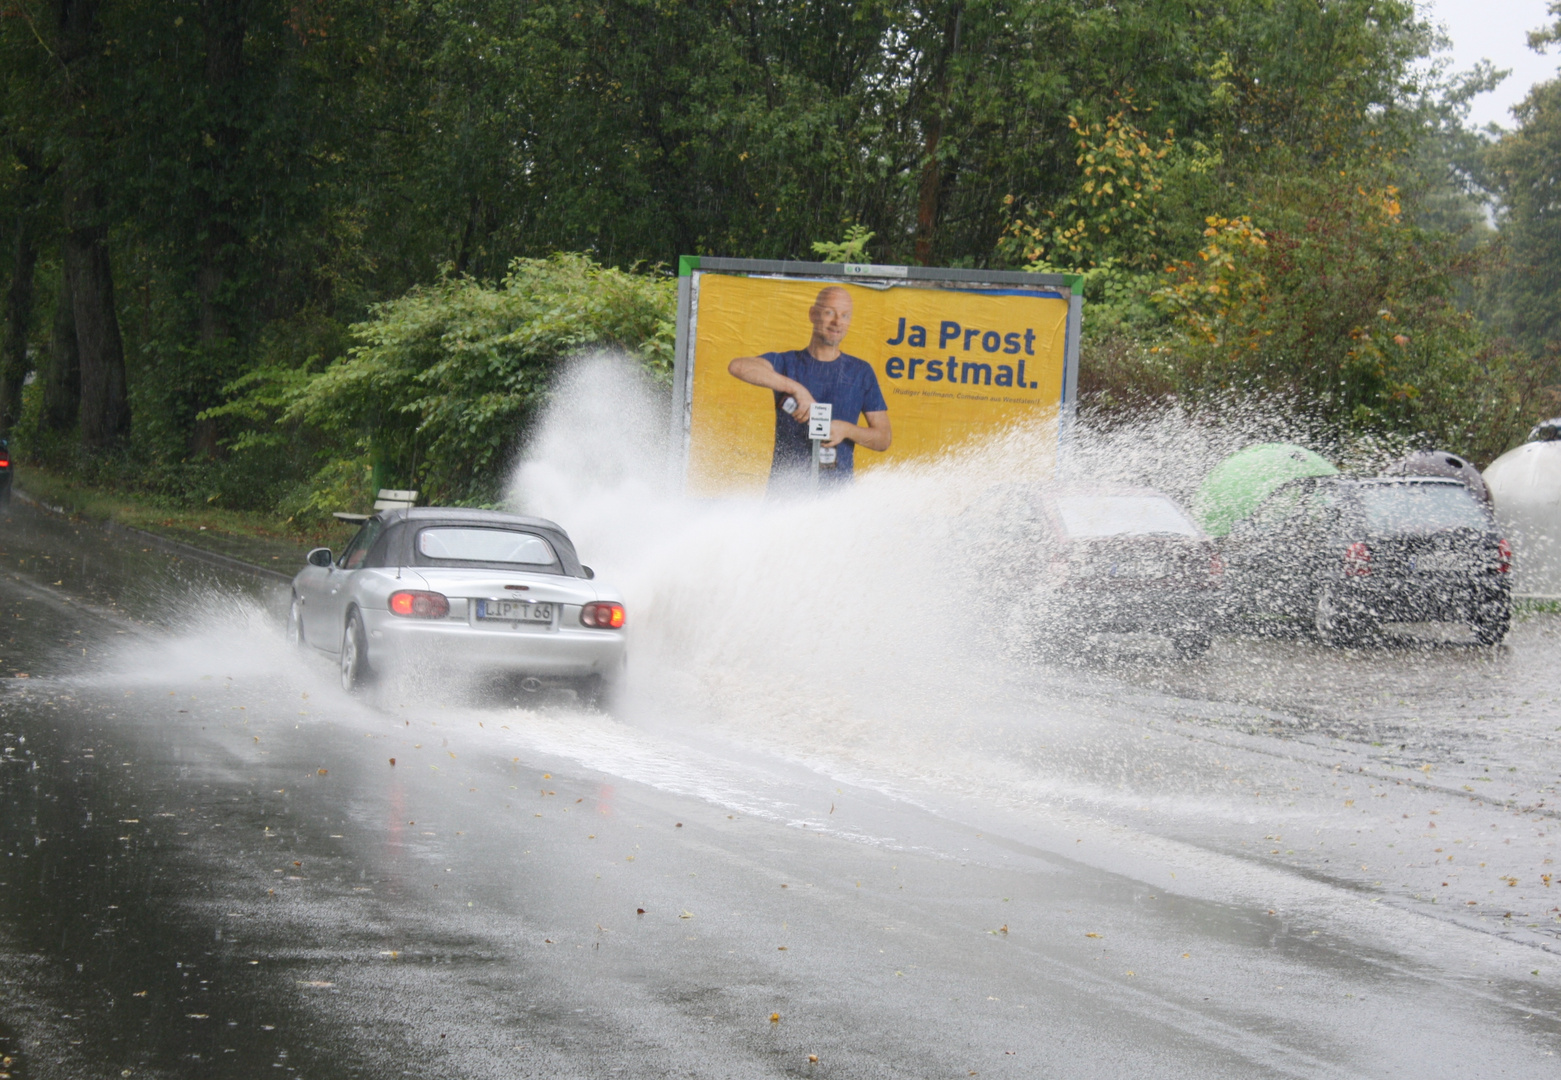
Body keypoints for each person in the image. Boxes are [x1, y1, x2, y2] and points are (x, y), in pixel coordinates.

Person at [727, 285, 891, 488]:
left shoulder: (860, 371)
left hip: (837, 500)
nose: (837, 322)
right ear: (813, 314)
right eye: (829, 312)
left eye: (845, 315)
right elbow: (738, 366)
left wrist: (846, 430)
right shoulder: (786, 363)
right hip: (784, 495)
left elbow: (883, 439)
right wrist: (796, 388)